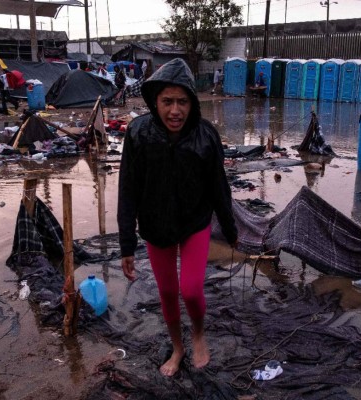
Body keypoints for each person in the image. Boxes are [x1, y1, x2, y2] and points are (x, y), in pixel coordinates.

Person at [117, 58, 238, 377]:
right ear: (154, 101)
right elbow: (128, 189)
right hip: (156, 226)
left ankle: (198, 335)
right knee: (168, 292)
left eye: (182, 101)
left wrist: (230, 228)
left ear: (192, 102)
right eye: (167, 101)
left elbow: (218, 186)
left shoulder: (206, 135)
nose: (175, 111)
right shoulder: (138, 133)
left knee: (192, 289)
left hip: (194, 223)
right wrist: (126, 244)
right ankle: (178, 346)